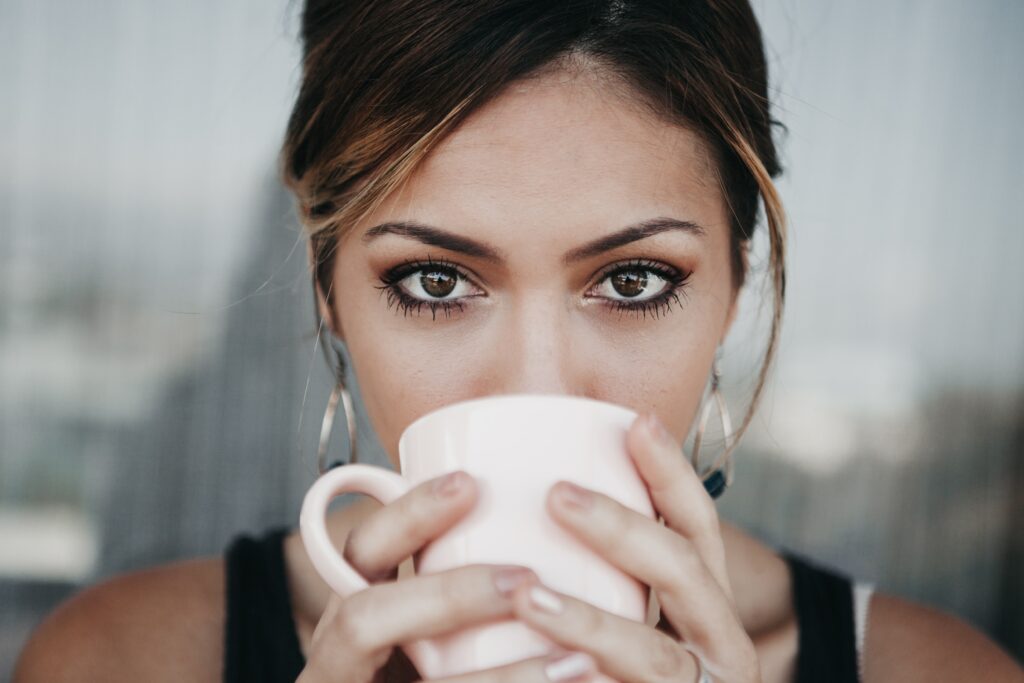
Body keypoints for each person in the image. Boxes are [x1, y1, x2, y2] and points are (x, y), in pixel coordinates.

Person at [13, 1, 1024, 681]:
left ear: (732, 289)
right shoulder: (122, 656)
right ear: (327, 290)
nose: (535, 381)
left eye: (632, 282)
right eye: (435, 281)